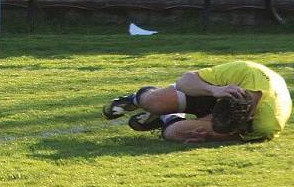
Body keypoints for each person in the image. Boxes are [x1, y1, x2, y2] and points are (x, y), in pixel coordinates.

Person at [103, 60, 291, 143]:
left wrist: (216, 136)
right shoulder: (246, 71)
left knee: (174, 133)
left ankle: (167, 117)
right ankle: (136, 99)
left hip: (231, 120)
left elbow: (238, 136)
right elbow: (184, 81)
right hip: (215, 92)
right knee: (154, 102)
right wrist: (213, 89)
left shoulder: (266, 125)